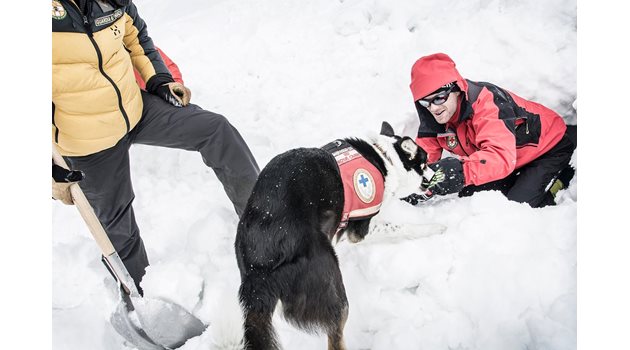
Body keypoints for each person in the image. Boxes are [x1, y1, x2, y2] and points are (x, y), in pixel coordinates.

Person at [52, 0, 260, 294]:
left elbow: (136, 38)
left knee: (215, 130)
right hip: (87, 141)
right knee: (118, 230)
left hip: (136, 109)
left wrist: (159, 79)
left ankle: (265, 222)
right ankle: (141, 300)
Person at [405, 53, 575, 208]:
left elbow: (499, 157)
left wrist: (461, 171)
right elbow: (423, 162)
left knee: (518, 207)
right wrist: (416, 187)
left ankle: (564, 176)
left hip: (550, 149)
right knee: (470, 196)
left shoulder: (488, 105)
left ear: (456, 90)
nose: (434, 108)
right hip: (512, 160)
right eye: (425, 102)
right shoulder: (433, 119)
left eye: (439, 98)